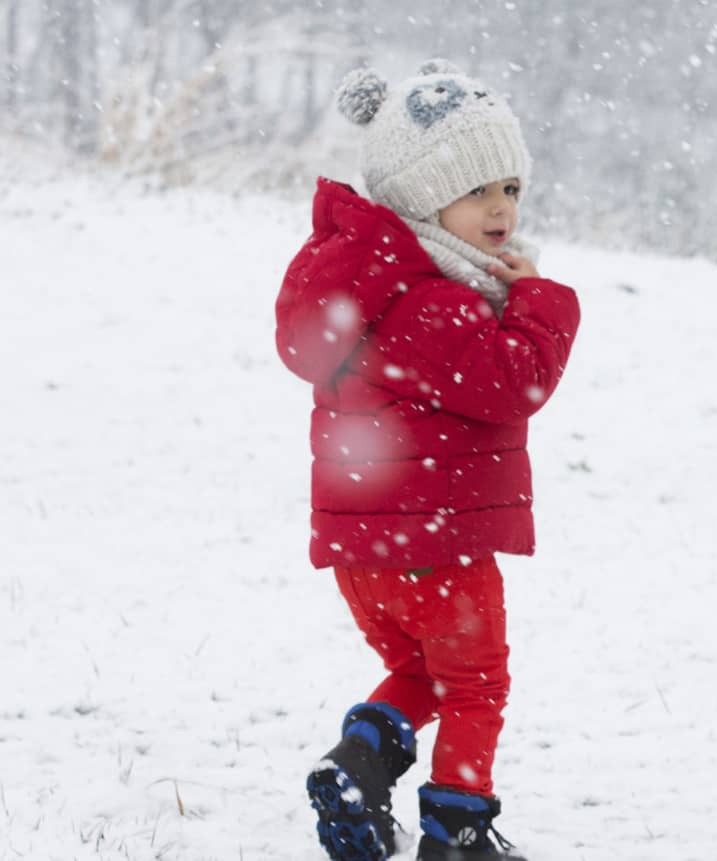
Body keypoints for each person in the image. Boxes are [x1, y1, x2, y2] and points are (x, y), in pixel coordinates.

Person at [275, 60, 580, 861]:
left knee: (426, 671)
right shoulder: (428, 299)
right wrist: (541, 301)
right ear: (420, 194)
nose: (502, 208)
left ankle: (359, 764)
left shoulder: (369, 283)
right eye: (476, 189)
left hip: (366, 551)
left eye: (511, 187)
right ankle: (459, 829)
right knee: (477, 684)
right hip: (436, 547)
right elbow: (515, 381)